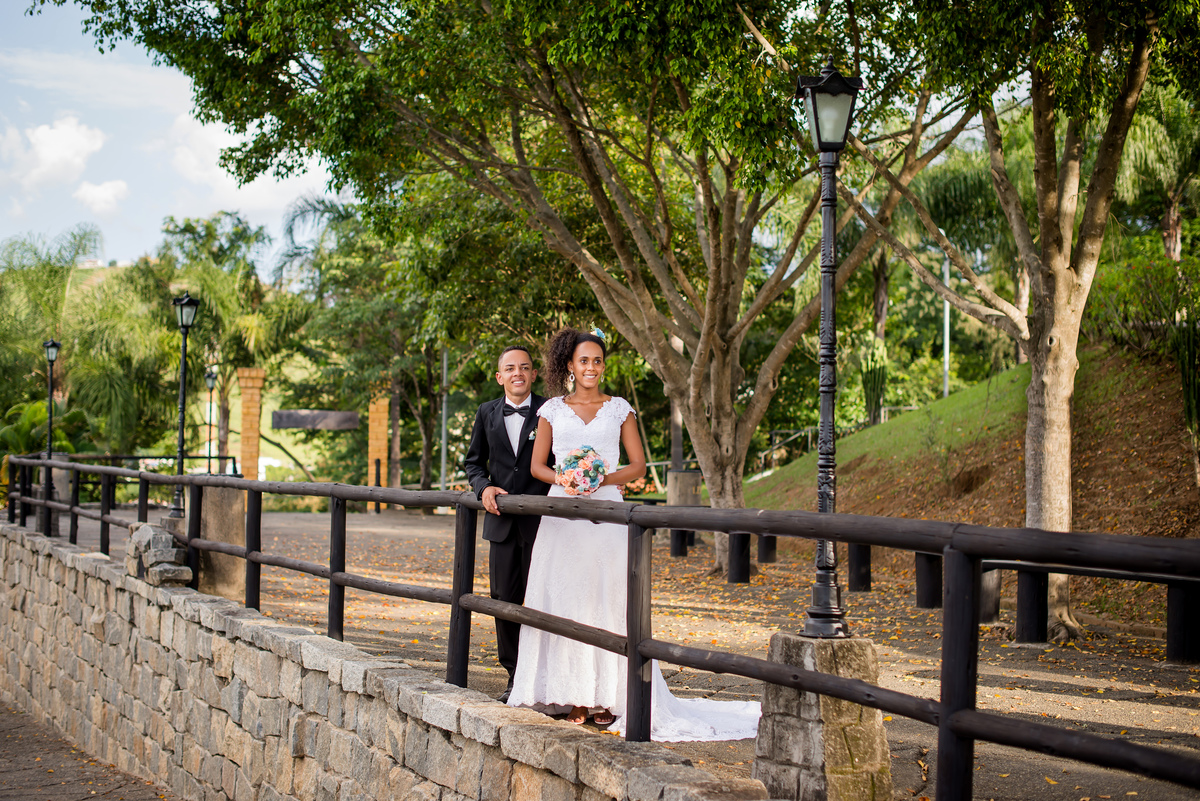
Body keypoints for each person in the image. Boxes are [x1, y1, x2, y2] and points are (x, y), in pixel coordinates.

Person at [507, 327, 761, 742]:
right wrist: (567, 479)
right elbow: (538, 467)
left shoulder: (619, 409)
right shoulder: (551, 409)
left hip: (607, 511)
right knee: (566, 597)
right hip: (562, 515)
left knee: (609, 598)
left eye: (597, 361)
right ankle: (576, 696)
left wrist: (599, 478)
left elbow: (638, 466)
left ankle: (610, 695)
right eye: (584, 360)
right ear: (570, 365)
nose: (591, 367)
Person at [463, 345, 551, 703]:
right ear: (500, 376)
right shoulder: (486, 412)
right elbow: (473, 462)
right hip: (500, 525)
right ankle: (515, 676)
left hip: (544, 524)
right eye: (511, 368)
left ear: (533, 374)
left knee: (544, 598)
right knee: (503, 600)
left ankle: (548, 677)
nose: (518, 373)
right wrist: (483, 487)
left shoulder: (550, 410)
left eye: (525, 367)